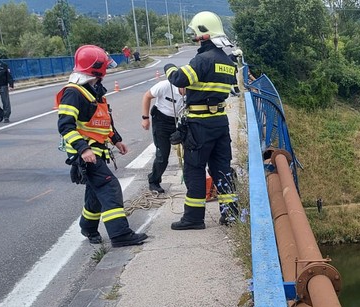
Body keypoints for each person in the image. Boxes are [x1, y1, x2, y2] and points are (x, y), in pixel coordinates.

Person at [57, 45, 147, 248]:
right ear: (97, 68)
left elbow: (102, 120)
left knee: (95, 193)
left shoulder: (93, 91)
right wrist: (83, 149)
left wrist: (116, 139)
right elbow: (65, 126)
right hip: (86, 154)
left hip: (97, 151)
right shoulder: (73, 93)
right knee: (110, 187)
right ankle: (120, 235)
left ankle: (87, 228)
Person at [166, 10, 239, 230]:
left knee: (194, 169)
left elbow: (179, 78)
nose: (194, 37)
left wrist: (168, 67)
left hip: (200, 124)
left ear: (203, 33)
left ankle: (193, 218)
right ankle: (231, 215)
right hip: (220, 122)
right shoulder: (227, 61)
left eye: (195, 33)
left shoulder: (202, 59)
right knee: (222, 168)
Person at [141, 64, 186, 194]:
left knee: (190, 150)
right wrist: (145, 118)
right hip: (161, 120)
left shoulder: (192, 91)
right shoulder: (165, 86)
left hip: (178, 120)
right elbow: (147, 96)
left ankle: (190, 179)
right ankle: (154, 181)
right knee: (162, 155)